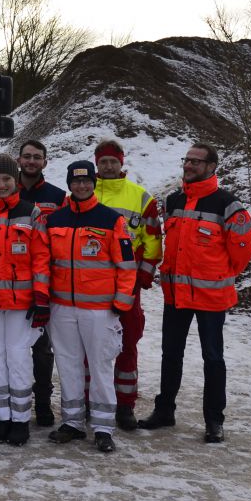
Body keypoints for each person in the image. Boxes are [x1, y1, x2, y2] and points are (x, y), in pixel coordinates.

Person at [138, 144, 251, 443]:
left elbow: (242, 251)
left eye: (196, 161)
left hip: (210, 298)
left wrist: (218, 275)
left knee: (213, 358)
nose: (188, 165)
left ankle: (215, 420)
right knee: (170, 355)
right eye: (186, 160)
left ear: (212, 166)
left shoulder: (228, 204)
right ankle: (165, 411)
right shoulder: (174, 200)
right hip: (176, 295)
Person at [45, 160, 136, 453]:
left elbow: (126, 265)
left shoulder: (111, 220)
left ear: (93, 183)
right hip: (62, 307)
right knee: (68, 365)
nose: (81, 186)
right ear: (69, 184)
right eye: (76, 181)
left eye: (86, 181)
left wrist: (122, 300)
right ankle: (72, 422)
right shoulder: (55, 220)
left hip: (99, 310)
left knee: (99, 367)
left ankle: (103, 427)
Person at [0, 153, 51, 446]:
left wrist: (41, 297)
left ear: (15, 181)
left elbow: (41, 258)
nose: (1, 184)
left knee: (18, 359)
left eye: (7, 179)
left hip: (21, 303)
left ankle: (21, 421)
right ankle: (3, 418)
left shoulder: (32, 213)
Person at [92, 139, 163, 431]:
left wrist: (143, 274)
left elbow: (153, 239)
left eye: (113, 161)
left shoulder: (141, 197)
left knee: (127, 343)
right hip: (91, 284)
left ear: (122, 163)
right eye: (103, 162)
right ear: (96, 164)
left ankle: (125, 406)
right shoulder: (83, 191)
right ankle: (90, 402)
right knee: (90, 347)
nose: (108, 167)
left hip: (127, 284)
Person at [16, 139, 66, 427]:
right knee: (16, 347)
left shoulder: (58, 197)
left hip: (46, 280)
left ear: (45, 162)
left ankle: (44, 403)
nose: (32, 161)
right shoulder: (5, 190)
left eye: (37, 157)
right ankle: (17, 399)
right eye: (27, 156)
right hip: (13, 281)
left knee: (43, 348)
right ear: (19, 160)